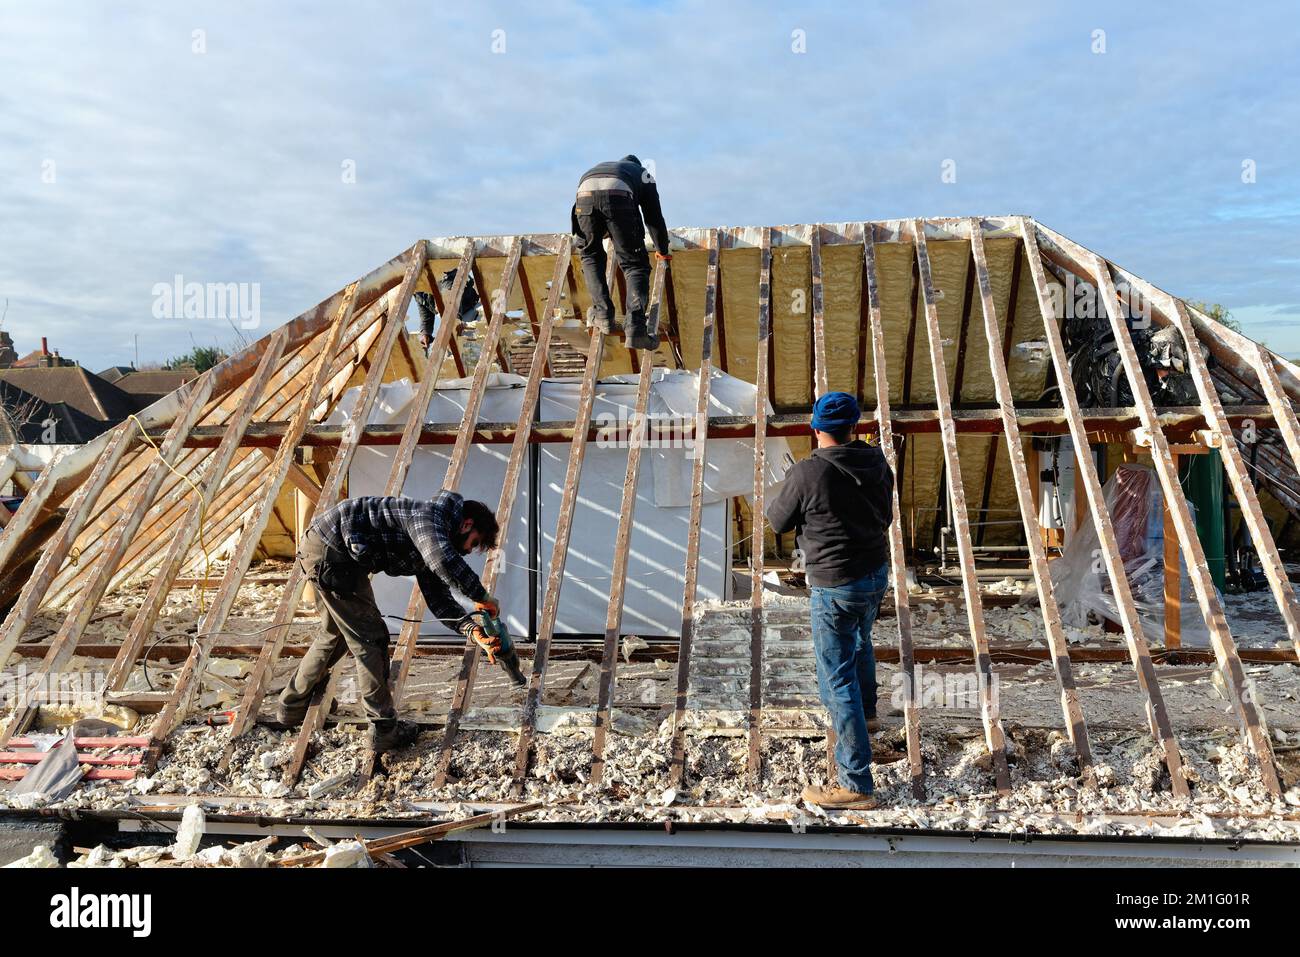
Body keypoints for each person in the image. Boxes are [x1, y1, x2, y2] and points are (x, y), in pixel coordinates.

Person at [276, 491, 502, 753]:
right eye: (474, 543)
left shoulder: (433, 540)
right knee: (371, 639)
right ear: (467, 524)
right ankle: (384, 728)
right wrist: (482, 595)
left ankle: (292, 706)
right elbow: (443, 561)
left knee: (334, 634)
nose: (468, 550)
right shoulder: (427, 519)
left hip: (326, 550)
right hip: (332, 553)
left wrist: (472, 631)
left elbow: (440, 600)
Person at [766, 392, 894, 809]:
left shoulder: (808, 472)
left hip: (834, 582)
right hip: (874, 575)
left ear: (815, 428)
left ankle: (855, 784)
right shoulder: (877, 462)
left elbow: (778, 521)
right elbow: (886, 517)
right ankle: (868, 715)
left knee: (836, 678)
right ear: (855, 427)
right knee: (861, 641)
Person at [571, 155, 671, 351]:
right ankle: (636, 329)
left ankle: (603, 316)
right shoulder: (644, 175)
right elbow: (653, 217)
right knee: (635, 265)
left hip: (583, 194)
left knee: (590, 257)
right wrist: (662, 250)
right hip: (618, 196)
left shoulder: (601, 165)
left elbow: (585, 213)